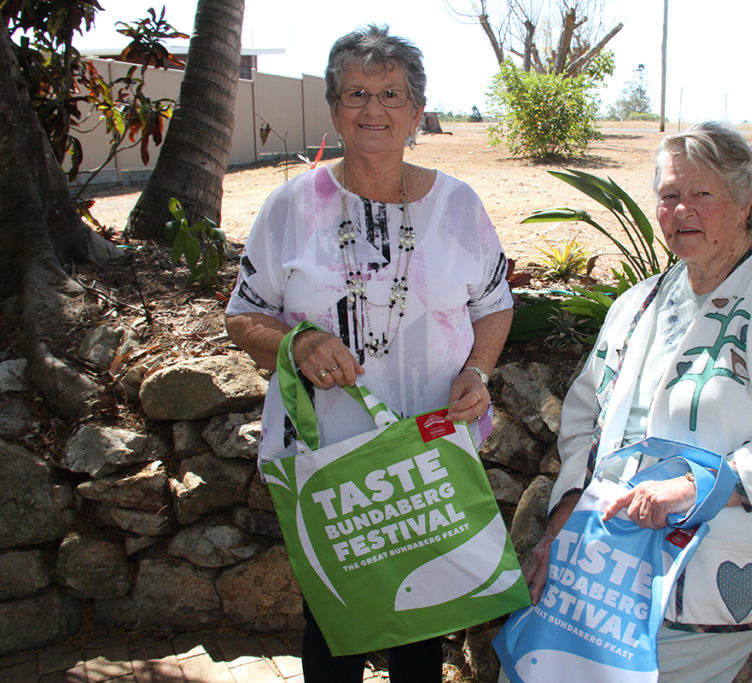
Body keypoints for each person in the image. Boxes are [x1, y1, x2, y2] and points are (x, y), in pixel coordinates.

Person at [520, 122, 752, 682]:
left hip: (720, 566)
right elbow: (586, 418)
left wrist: (700, 486)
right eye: (669, 195)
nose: (681, 209)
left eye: (702, 194)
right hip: (610, 559)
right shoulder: (640, 302)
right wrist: (565, 514)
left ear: (745, 201)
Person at [224, 25, 514, 682]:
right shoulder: (290, 208)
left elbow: (494, 304)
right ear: (334, 108)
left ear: (416, 113)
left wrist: (478, 369)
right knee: (331, 620)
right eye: (357, 93)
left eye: (391, 94)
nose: (373, 109)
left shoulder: (459, 206)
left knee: (425, 617)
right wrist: (298, 342)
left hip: (426, 456)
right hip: (328, 460)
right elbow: (243, 316)